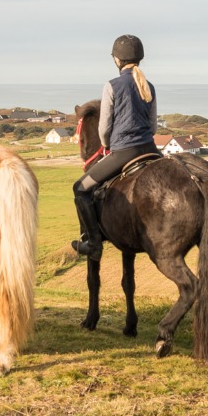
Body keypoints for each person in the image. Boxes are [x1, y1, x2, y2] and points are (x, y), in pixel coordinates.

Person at [70, 35, 157, 258]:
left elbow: (104, 129)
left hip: (123, 152)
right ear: (139, 58)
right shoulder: (149, 87)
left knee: (80, 188)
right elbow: (153, 126)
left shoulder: (112, 85)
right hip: (152, 150)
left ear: (117, 59)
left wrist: (108, 146)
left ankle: (92, 243)